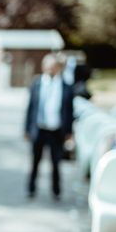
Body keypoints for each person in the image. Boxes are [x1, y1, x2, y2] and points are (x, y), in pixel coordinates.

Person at [24, 54, 74, 200]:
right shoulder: (37, 83)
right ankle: (31, 188)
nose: (50, 69)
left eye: (53, 67)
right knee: (35, 161)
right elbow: (31, 107)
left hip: (56, 130)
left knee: (56, 162)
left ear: (58, 68)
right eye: (48, 66)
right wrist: (27, 128)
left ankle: (56, 191)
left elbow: (69, 111)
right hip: (39, 128)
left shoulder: (66, 87)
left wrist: (69, 132)